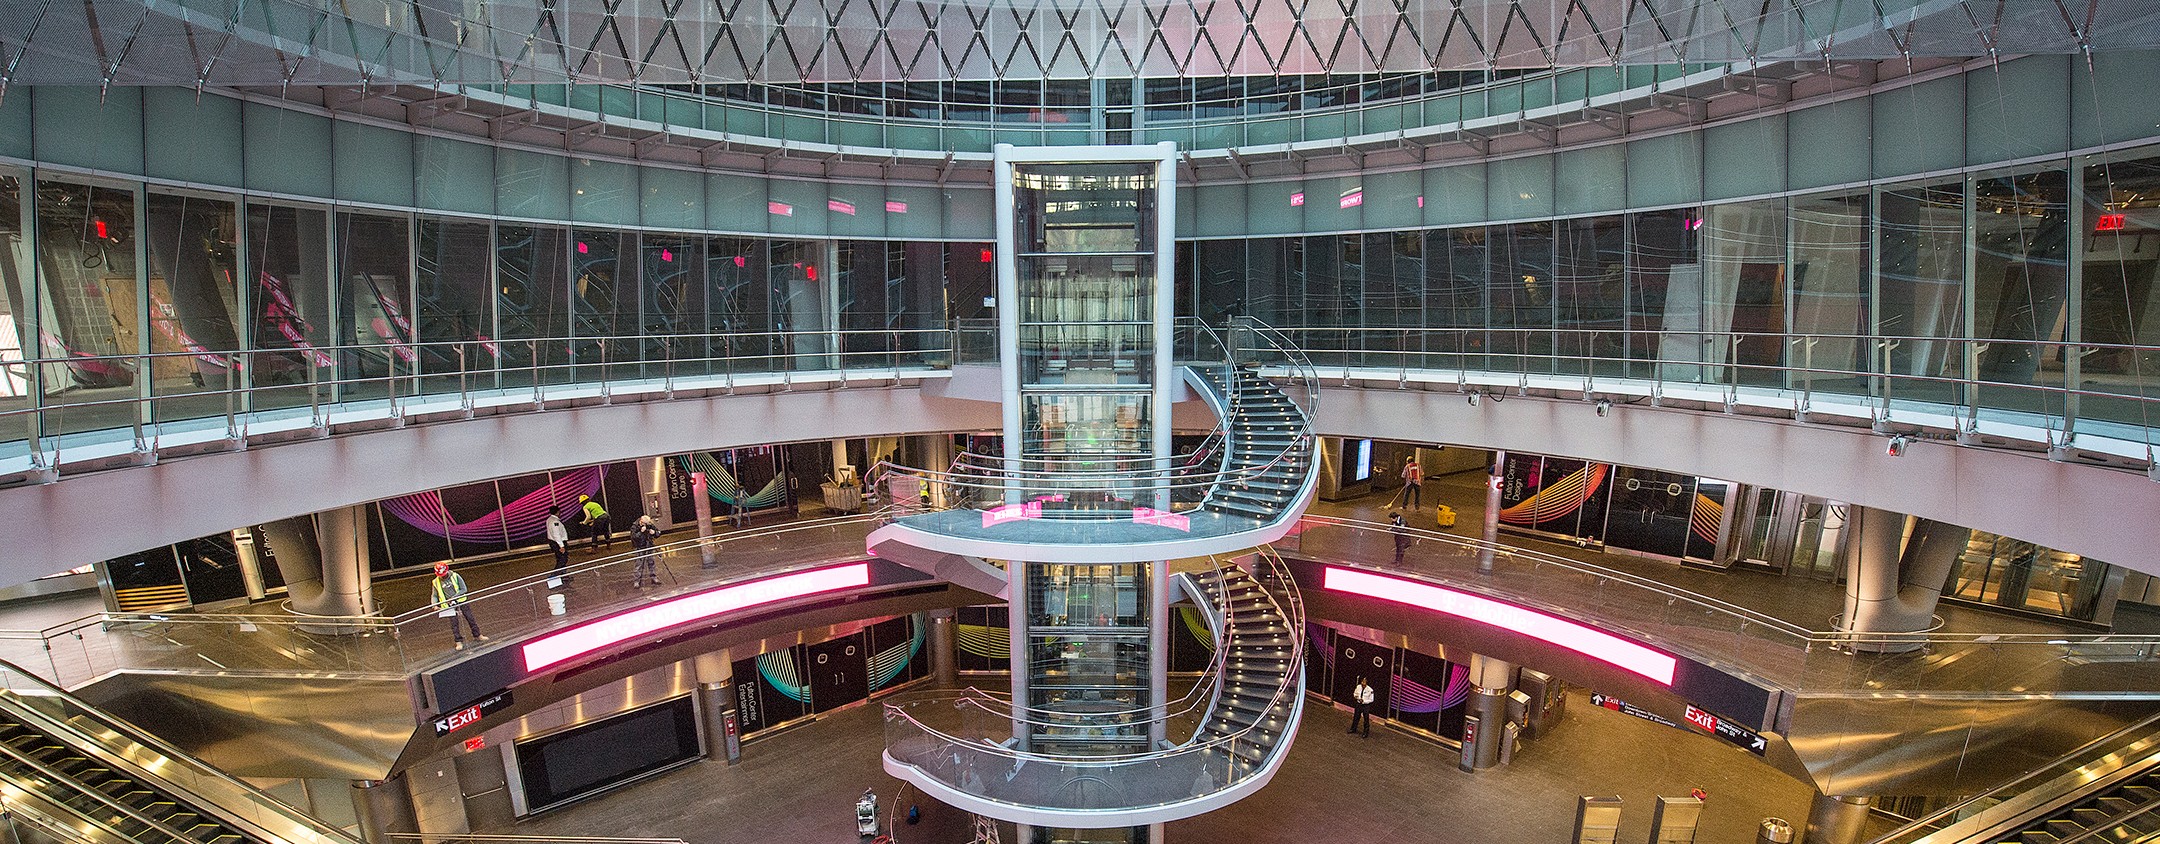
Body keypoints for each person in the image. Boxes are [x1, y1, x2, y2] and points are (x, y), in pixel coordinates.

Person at [431, 562, 485, 650]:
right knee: (454, 624)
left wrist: (454, 597)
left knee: (470, 618)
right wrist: (434, 605)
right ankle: (458, 641)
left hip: (461, 601)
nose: (442, 576)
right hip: (448, 606)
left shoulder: (455, 576)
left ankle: (477, 635)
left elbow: (464, 589)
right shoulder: (436, 582)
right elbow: (434, 595)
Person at [630, 513, 662, 588]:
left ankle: (654, 577)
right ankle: (637, 580)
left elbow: (658, 533)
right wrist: (641, 532)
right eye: (645, 523)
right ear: (641, 521)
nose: (647, 525)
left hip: (649, 545)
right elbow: (633, 537)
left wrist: (654, 533)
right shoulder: (634, 526)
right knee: (639, 564)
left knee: (651, 562)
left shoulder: (649, 525)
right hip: (640, 547)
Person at [545, 507, 571, 584]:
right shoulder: (555, 522)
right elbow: (556, 534)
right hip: (558, 543)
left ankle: (563, 576)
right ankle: (554, 576)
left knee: (559, 558)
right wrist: (561, 546)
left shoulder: (549, 519)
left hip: (553, 542)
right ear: (557, 512)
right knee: (563, 559)